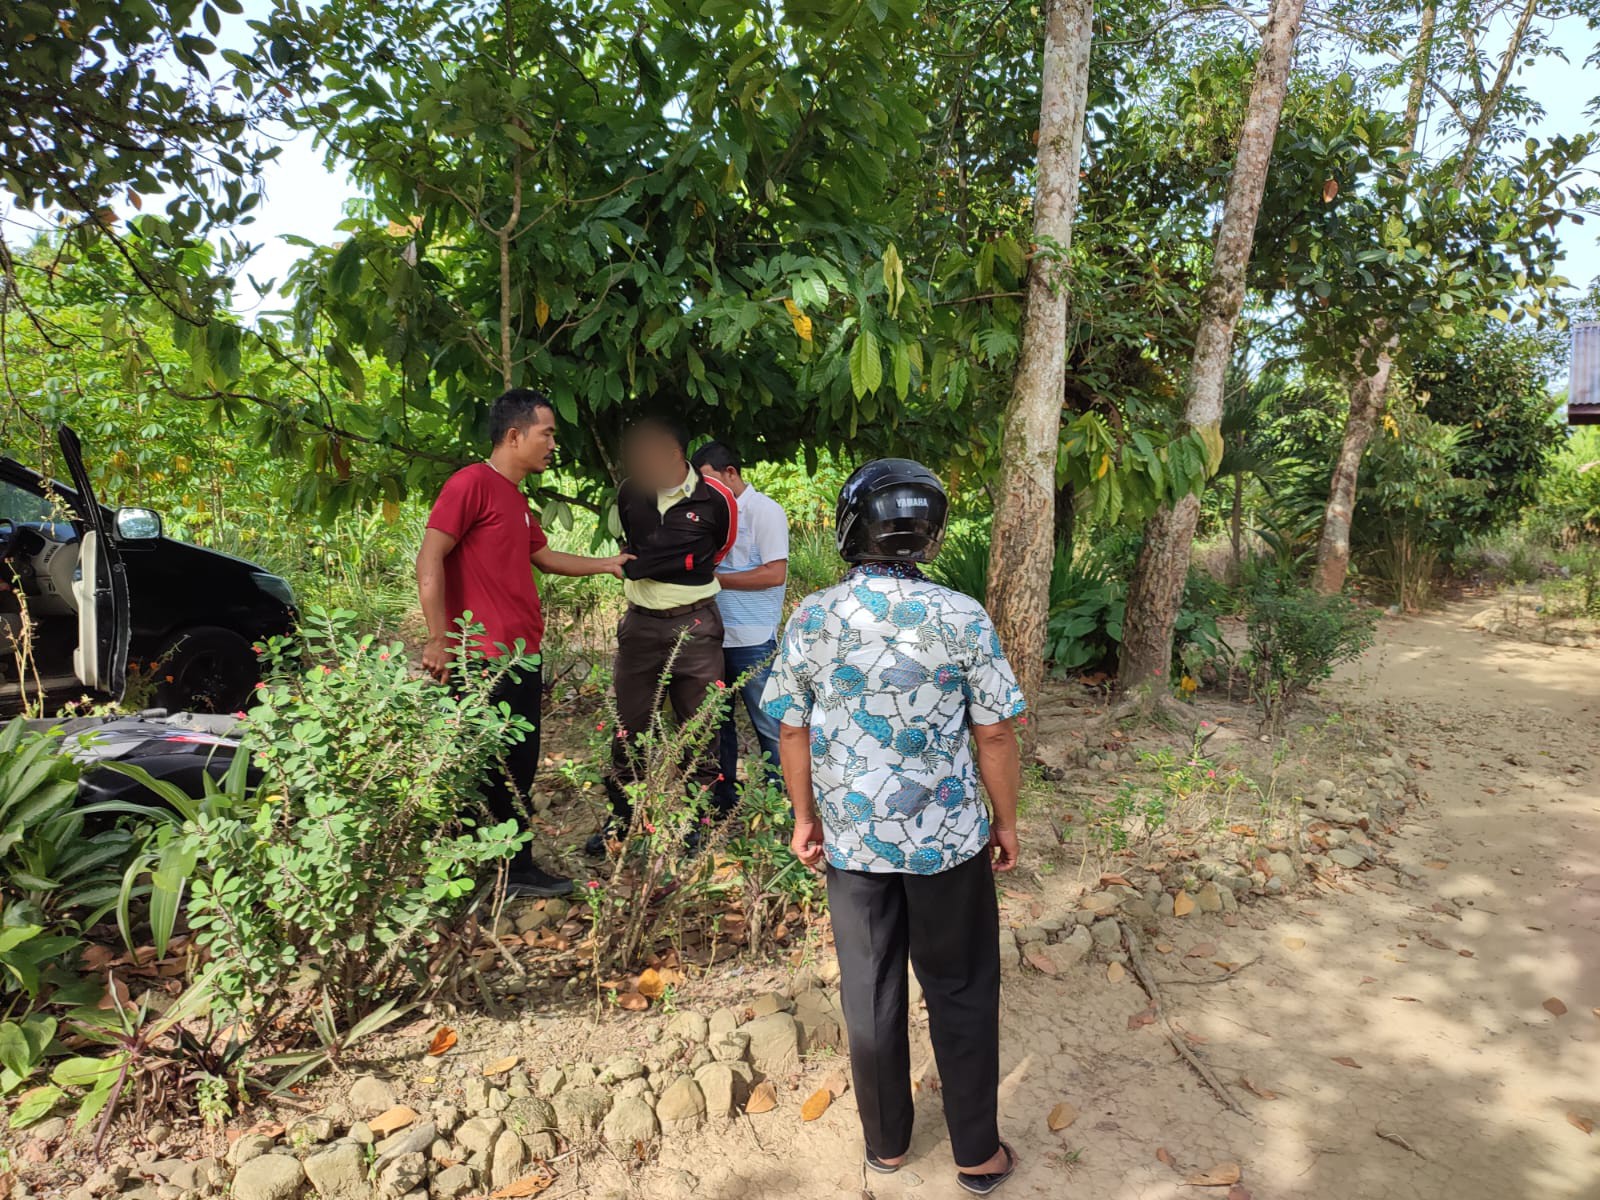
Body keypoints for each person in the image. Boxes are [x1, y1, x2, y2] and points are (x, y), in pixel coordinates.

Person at [761, 459, 1025, 1196]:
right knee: (962, 985)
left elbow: (792, 730)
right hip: (948, 842)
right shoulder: (963, 614)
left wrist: (804, 818)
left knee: (869, 989)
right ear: (930, 535)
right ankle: (977, 1153)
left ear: (853, 529)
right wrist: (1005, 823)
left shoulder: (813, 616)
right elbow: (996, 734)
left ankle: (886, 1147)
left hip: (854, 843)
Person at [416, 388, 630, 897]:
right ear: (514, 436)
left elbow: (545, 557)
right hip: (479, 658)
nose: (553, 443)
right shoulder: (470, 484)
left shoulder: (515, 497)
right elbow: (429, 559)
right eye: (547, 433)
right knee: (483, 764)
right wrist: (438, 637)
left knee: (518, 761)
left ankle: (501, 863)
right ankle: (494, 868)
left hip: (518, 655)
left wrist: (607, 564)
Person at [592, 417, 737, 854]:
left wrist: (686, 568)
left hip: (696, 625)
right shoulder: (630, 493)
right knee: (628, 727)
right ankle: (624, 818)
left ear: (674, 454)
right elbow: (630, 544)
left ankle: (699, 822)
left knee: (701, 728)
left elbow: (720, 548)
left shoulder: (716, 499)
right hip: (639, 625)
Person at [689, 441, 789, 811]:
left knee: (771, 729)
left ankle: (784, 809)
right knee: (718, 727)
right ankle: (722, 804)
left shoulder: (764, 512)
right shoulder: (707, 515)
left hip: (753, 639)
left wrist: (715, 579)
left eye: (710, 481)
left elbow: (774, 573)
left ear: (731, 472)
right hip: (713, 637)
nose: (704, 491)